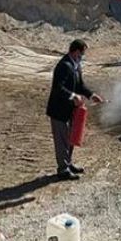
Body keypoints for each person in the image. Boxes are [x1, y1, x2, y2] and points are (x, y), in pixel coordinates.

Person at [46, 39, 104, 180]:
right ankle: (63, 169)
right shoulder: (64, 65)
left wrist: (91, 95)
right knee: (62, 141)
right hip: (59, 110)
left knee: (70, 138)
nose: (83, 55)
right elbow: (58, 88)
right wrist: (73, 96)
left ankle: (68, 163)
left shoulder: (76, 66)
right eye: (82, 52)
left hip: (70, 109)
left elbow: (80, 86)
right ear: (76, 51)